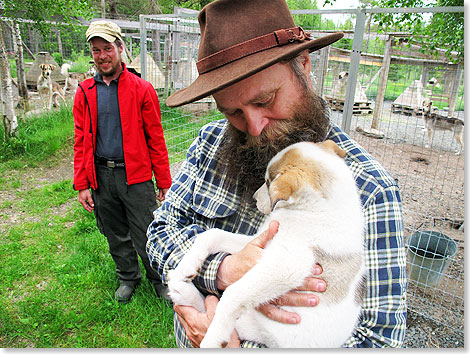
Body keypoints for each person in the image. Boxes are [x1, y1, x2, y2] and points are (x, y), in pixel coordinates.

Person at [146, 0, 407, 348]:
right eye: (233, 112)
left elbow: (379, 340)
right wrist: (223, 271)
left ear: (303, 65)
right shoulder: (210, 143)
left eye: (265, 100)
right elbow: (161, 233)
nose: (254, 127)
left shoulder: (369, 190)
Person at [73, 20, 172, 304]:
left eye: (107, 48)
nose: (102, 55)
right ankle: (128, 277)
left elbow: (156, 138)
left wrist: (163, 181)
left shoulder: (142, 89)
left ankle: (159, 279)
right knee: (114, 232)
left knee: (146, 231)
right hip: (102, 176)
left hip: (136, 177)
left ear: (120, 48)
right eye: (96, 50)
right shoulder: (85, 92)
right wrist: (83, 184)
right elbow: (81, 141)